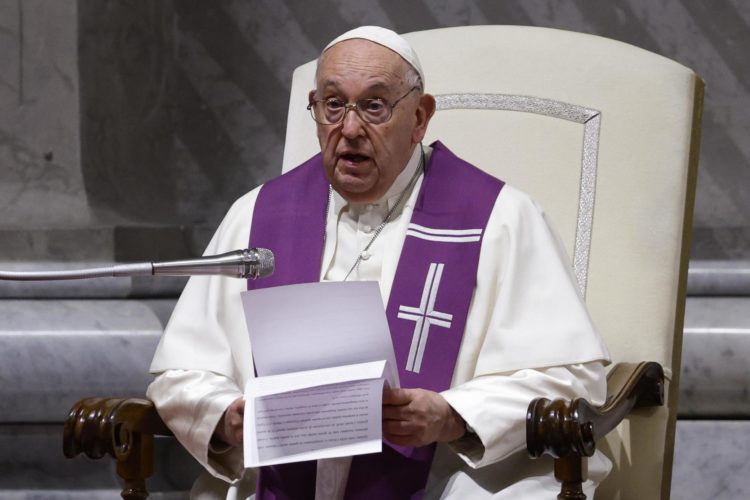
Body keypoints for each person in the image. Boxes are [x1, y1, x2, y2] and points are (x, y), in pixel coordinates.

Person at [147, 26, 611, 499]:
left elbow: (570, 380)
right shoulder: (258, 216)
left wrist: (452, 416)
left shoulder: (498, 219)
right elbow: (182, 372)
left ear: (420, 117)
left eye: (374, 106)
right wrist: (226, 416)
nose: (349, 129)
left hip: (440, 484)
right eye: (332, 104)